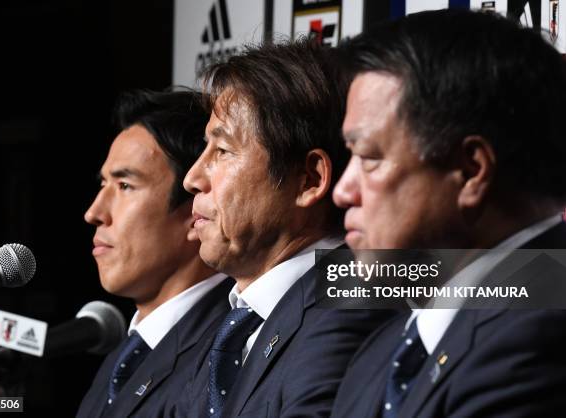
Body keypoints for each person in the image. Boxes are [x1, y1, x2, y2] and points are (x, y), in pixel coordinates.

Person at [331, 9, 566, 418]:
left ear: (471, 171)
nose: (341, 191)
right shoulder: (382, 350)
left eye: (369, 157)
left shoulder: (540, 341)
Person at [180, 39, 394, 418]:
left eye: (222, 151)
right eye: (203, 149)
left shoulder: (351, 302)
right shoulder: (225, 327)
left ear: (309, 180)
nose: (193, 178)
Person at [77, 89, 233, 418]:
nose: (94, 212)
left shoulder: (228, 352)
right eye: (102, 184)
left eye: (124, 186)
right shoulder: (124, 356)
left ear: (195, 210)